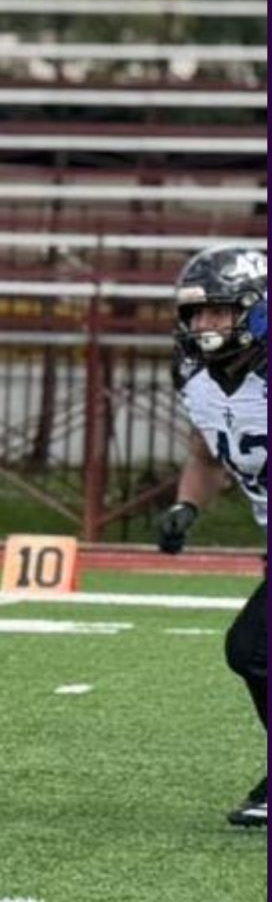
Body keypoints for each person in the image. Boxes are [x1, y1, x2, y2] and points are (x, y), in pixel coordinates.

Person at [152, 243, 267, 828]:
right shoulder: (197, 376)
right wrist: (186, 507)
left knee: (253, 649)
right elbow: (206, 451)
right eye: (196, 314)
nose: (204, 325)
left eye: (218, 312)